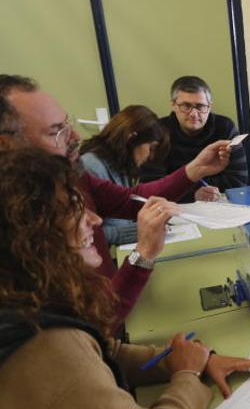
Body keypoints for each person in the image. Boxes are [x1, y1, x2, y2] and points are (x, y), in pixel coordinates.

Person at [0, 147, 250, 409]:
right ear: (31, 235)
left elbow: (102, 350)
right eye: (75, 210)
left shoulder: (27, 300)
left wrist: (181, 359)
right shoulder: (39, 346)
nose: (95, 219)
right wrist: (186, 374)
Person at [0, 74, 231, 323]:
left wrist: (195, 169)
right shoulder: (18, 229)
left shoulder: (72, 176)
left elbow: (132, 200)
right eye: (56, 132)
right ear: (6, 145)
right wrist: (143, 253)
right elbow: (92, 321)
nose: (76, 137)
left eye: (67, 125)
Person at [141, 75, 249, 202]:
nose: (193, 114)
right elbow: (151, 186)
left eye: (200, 106)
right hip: (173, 209)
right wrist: (193, 194)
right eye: (186, 106)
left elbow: (239, 181)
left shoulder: (225, 128)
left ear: (209, 106)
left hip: (220, 204)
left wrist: (178, 185)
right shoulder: (158, 132)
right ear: (173, 105)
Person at [80, 105, 171, 246]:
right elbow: (85, 234)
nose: (150, 156)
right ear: (131, 139)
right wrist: (139, 230)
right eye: (150, 148)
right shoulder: (91, 167)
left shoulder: (120, 162)